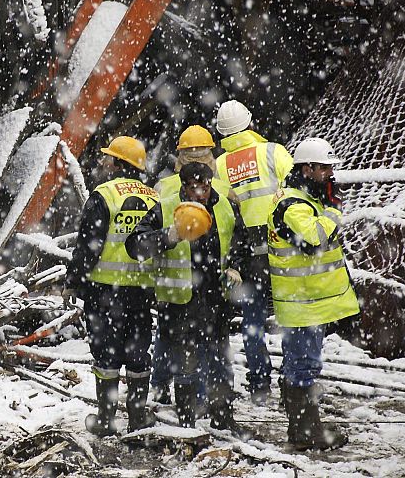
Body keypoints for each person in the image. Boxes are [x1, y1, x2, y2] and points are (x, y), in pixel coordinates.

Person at [126, 162, 252, 438]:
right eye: (194, 187)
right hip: (179, 301)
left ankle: (223, 417)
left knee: (220, 361)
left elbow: (241, 242)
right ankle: (187, 423)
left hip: (216, 298)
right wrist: (169, 235)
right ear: (183, 187)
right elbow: (135, 245)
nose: (201, 193)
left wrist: (235, 267)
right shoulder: (166, 207)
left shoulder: (225, 206)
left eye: (205, 187)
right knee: (186, 365)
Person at [62, 136, 160, 436]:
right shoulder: (154, 197)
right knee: (138, 354)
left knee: (106, 356)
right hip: (141, 291)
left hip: (105, 291)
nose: (105, 163)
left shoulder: (104, 194)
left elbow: (89, 245)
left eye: (110, 158)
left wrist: (73, 282)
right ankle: (138, 416)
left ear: (119, 163)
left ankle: (105, 419)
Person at [267, 137, 359, 450]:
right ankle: (306, 433)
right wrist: (334, 211)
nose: (330, 174)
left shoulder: (306, 199)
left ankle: (303, 426)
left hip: (307, 303)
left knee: (302, 363)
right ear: (307, 168)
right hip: (302, 304)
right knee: (303, 365)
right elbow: (314, 239)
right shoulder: (293, 205)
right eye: (325, 168)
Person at [214, 100, 293, 404]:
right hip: (283, 246)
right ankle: (292, 385)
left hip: (247, 253)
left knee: (252, 321)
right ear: (250, 122)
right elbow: (297, 191)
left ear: (221, 133)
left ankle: (260, 384)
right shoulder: (273, 151)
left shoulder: (219, 165)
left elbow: (224, 211)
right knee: (290, 317)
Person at [150, 125, 235, 406]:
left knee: (174, 341)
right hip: (196, 285)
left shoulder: (164, 188)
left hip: (187, 286)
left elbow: (236, 233)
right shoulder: (221, 188)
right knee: (207, 348)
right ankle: (200, 402)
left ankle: (166, 388)